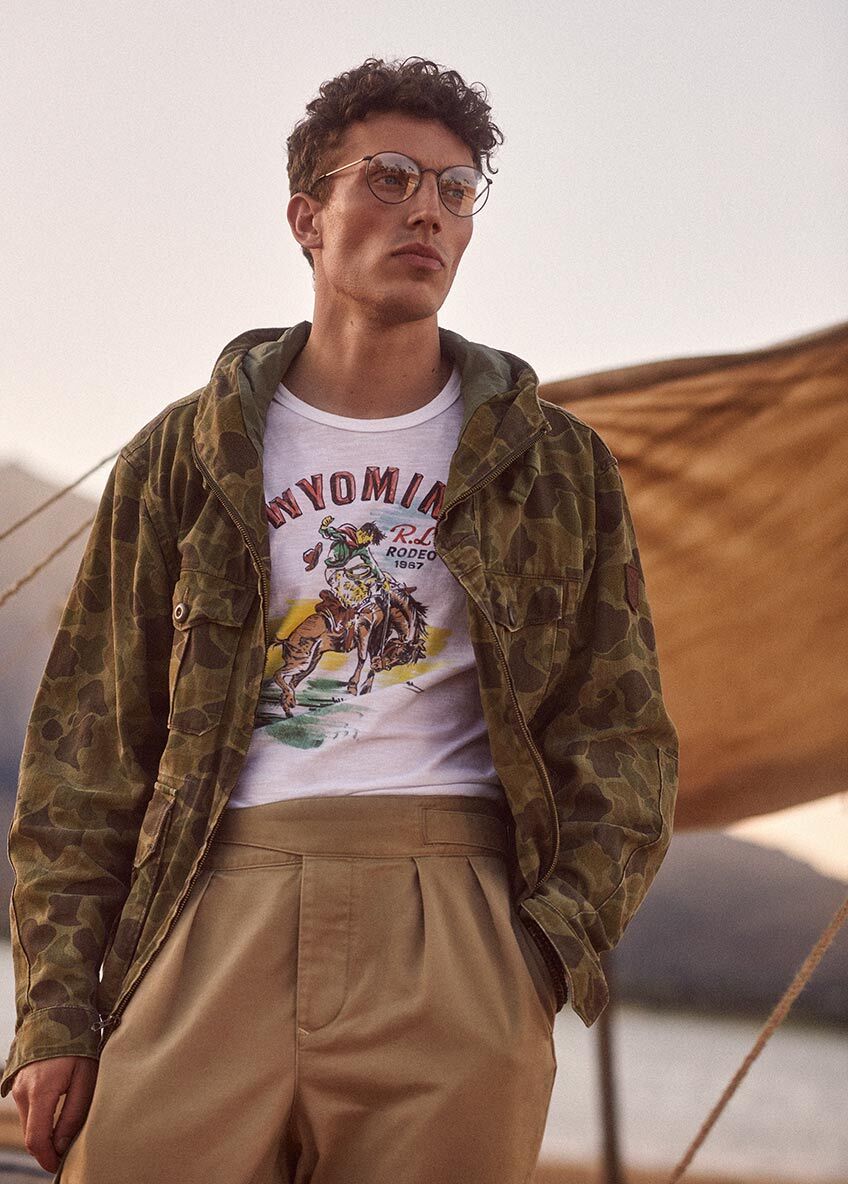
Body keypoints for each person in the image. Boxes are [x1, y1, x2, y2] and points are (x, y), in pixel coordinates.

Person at [2, 56, 679, 1182]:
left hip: (456, 928)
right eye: (391, 177)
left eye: (456, 189)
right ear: (306, 218)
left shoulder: (555, 465)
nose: (429, 210)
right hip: (205, 904)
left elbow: (621, 734)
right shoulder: (186, 453)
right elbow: (87, 747)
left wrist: (540, 953)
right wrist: (57, 1011)